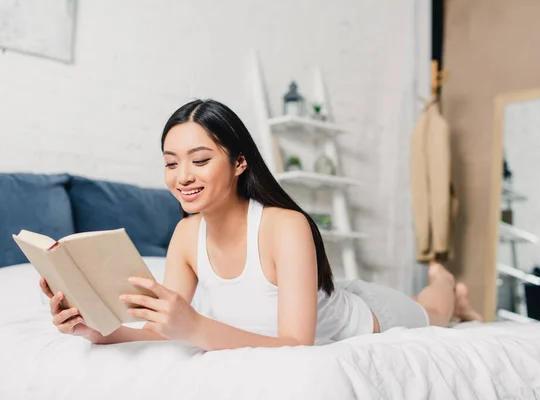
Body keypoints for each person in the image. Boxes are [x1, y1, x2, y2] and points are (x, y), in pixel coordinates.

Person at [40, 99, 482, 351]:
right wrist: (91, 328)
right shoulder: (186, 237)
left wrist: (194, 326)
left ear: (238, 163)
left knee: (435, 309)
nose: (182, 176)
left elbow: (296, 345)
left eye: (200, 160)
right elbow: (161, 328)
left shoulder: (284, 226)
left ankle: (449, 285)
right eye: (171, 163)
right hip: (323, 293)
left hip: (370, 315)